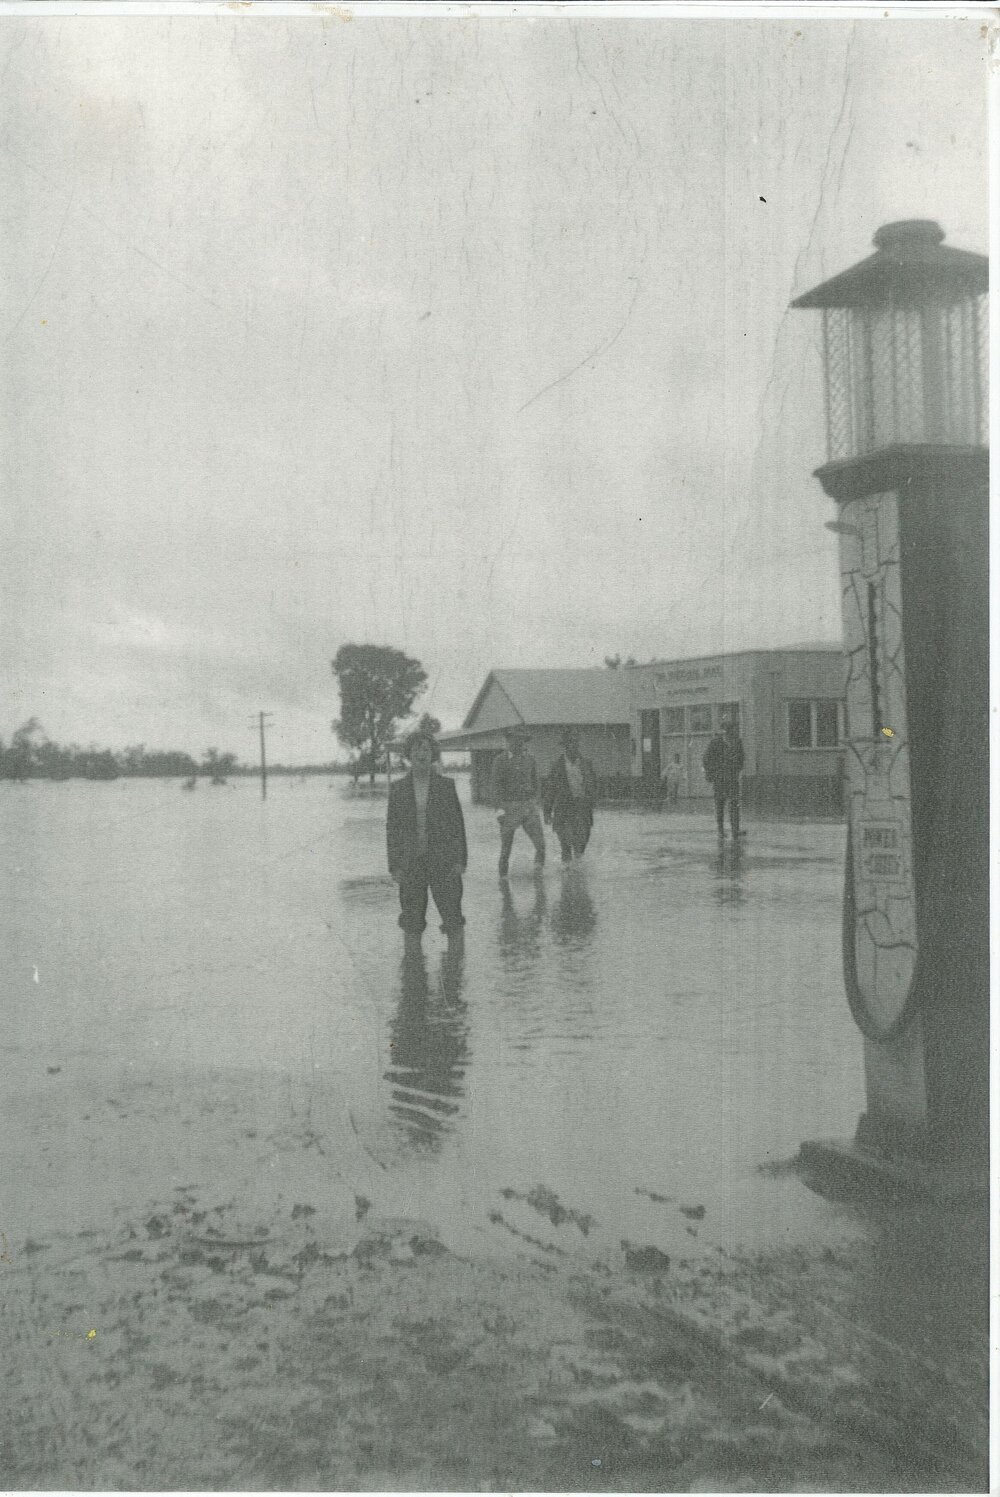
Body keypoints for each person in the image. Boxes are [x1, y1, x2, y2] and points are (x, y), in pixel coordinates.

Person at [386, 729, 467, 941]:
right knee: (411, 926)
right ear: (408, 755)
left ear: (433, 754)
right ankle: (413, 971)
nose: (421, 754)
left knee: (454, 922)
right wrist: (394, 866)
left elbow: (458, 826)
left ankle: (455, 971)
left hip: (444, 864)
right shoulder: (397, 789)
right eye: (416, 749)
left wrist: (460, 861)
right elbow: (392, 831)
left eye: (426, 749)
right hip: (411, 865)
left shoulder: (446, 786)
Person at [490, 724, 546, 879]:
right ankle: (503, 881)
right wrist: (499, 810)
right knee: (506, 849)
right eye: (516, 740)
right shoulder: (499, 760)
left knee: (541, 846)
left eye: (522, 740)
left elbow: (537, 783)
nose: (519, 743)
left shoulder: (530, 759)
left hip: (528, 806)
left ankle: (538, 876)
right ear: (508, 741)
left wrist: (535, 803)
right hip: (509, 807)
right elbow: (495, 787)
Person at [543, 728, 597, 863]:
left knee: (581, 846)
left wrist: (592, 801)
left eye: (577, 743)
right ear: (566, 746)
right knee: (566, 846)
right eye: (572, 743)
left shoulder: (586, 764)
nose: (575, 746)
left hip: (582, 808)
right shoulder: (557, 766)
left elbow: (594, 785)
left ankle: (578, 878)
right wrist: (547, 812)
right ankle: (566, 878)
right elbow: (550, 790)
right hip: (564, 809)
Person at [702, 718, 745, 838]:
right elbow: (706, 759)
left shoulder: (738, 742)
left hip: (732, 778)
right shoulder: (716, 742)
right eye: (735, 729)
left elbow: (742, 758)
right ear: (728, 731)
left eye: (737, 729)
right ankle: (720, 829)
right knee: (720, 804)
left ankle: (735, 829)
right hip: (719, 778)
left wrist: (737, 769)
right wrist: (711, 773)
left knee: (734, 803)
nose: (737, 732)